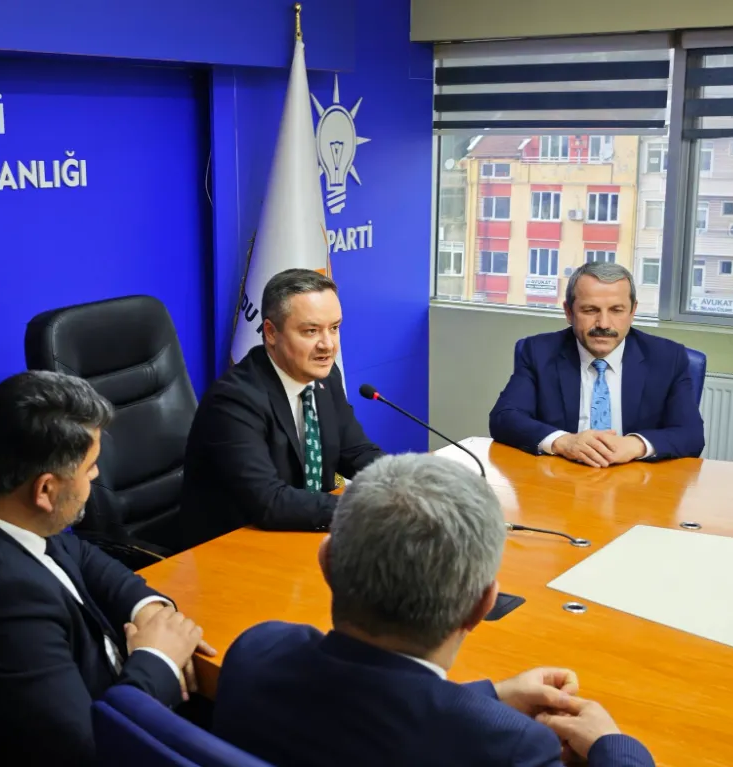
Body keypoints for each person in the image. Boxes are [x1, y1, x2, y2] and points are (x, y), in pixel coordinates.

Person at [212, 454, 655, 767]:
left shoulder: (257, 651)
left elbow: (381, 703)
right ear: (483, 606)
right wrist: (613, 745)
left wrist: (489, 698)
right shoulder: (511, 748)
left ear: (326, 562)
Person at [0, 371, 215, 767]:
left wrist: (146, 609)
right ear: (45, 490)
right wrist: (158, 659)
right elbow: (89, 749)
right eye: (90, 468)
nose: (96, 476)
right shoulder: (0, 599)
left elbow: (79, 553)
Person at [181, 268, 384, 548]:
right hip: (234, 549)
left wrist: (404, 483)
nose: (328, 345)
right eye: (311, 331)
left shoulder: (325, 378)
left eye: (334, 328)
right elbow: (269, 502)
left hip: (300, 534)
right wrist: (366, 509)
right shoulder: (233, 401)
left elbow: (357, 452)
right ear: (271, 332)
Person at [489, 262, 704, 466]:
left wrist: (635, 445)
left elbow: (691, 434)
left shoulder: (667, 357)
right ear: (569, 312)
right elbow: (504, 418)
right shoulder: (538, 352)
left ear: (632, 312)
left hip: (636, 479)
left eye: (616, 310)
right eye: (590, 310)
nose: (604, 324)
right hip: (560, 475)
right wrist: (563, 442)